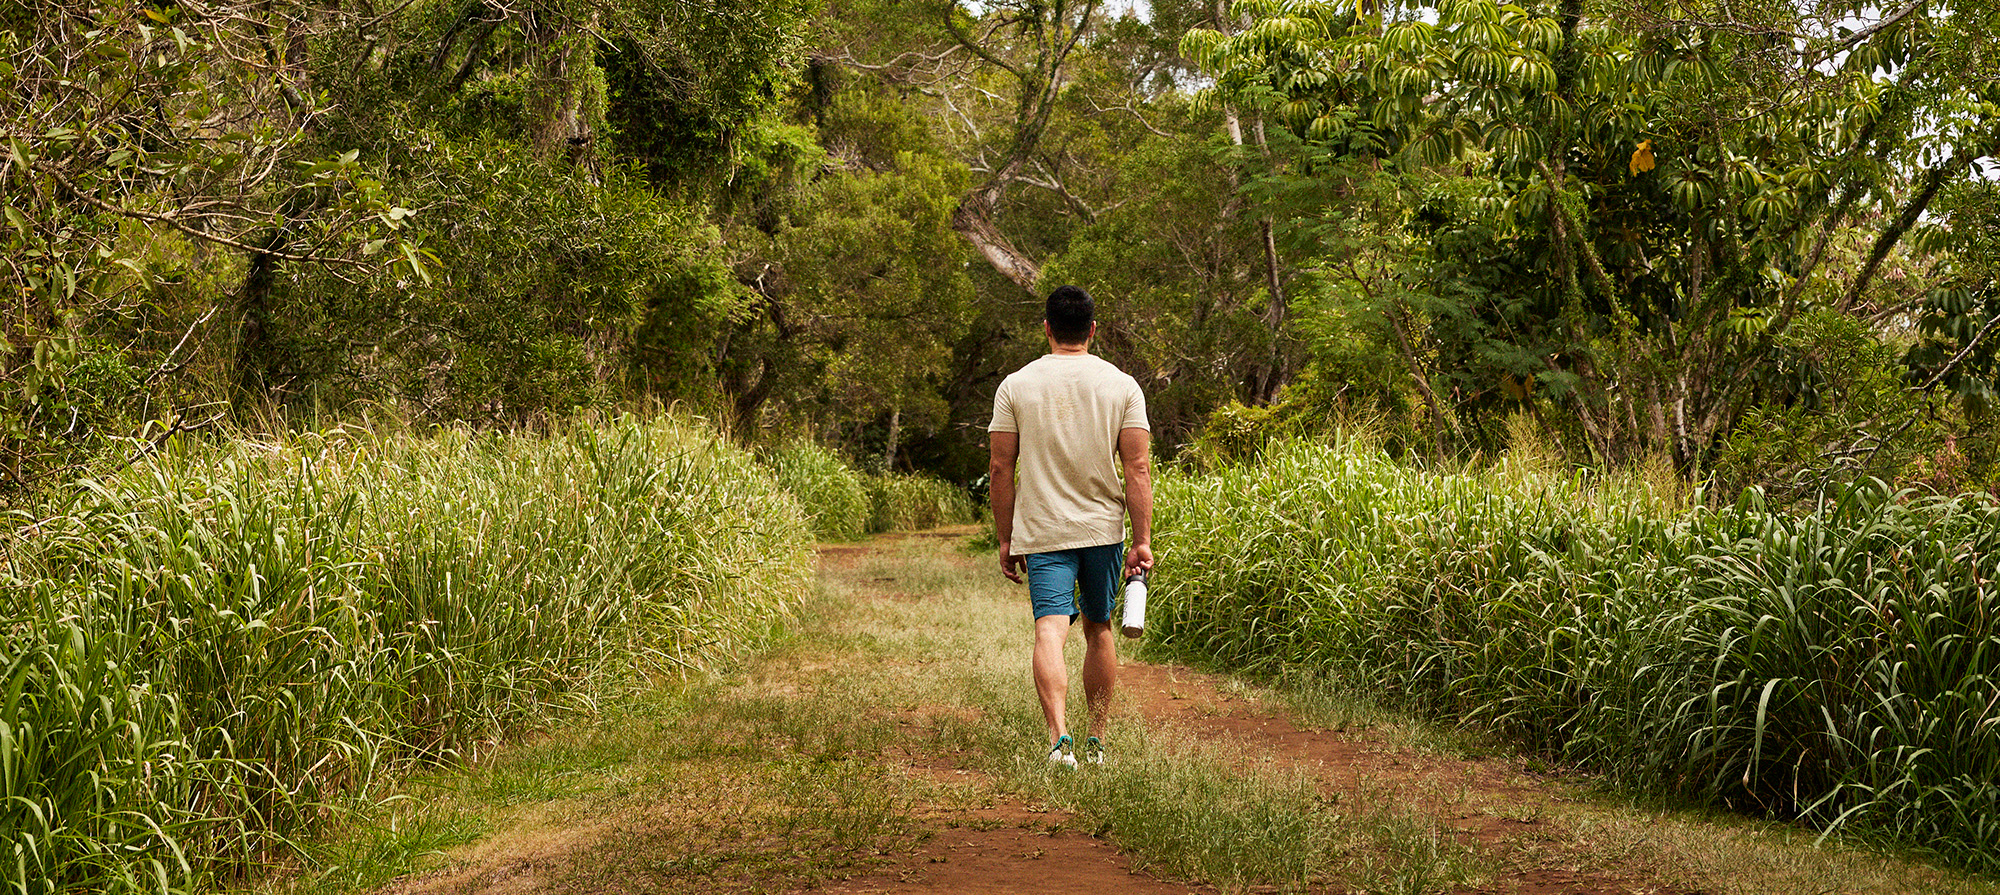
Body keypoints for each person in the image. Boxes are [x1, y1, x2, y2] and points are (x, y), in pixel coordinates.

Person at [987, 284, 1153, 769]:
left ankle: (1061, 740)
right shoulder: (1123, 385)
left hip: (1042, 530)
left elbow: (1000, 467)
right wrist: (1140, 540)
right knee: (1099, 629)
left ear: (1047, 328)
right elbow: (1137, 467)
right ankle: (1097, 739)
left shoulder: (1015, 385)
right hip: (1103, 529)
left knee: (1049, 629)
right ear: (1093, 330)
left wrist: (1006, 536)